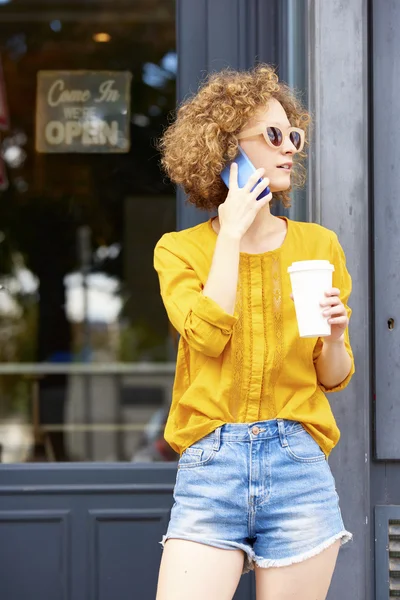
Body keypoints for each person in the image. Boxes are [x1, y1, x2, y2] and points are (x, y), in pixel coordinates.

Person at [154, 64, 355, 600]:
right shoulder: (179, 251)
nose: (289, 147)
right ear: (225, 151)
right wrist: (232, 233)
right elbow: (208, 337)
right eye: (273, 135)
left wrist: (335, 337)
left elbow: (332, 377)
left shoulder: (319, 246)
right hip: (210, 467)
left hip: (297, 466)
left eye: (294, 134)